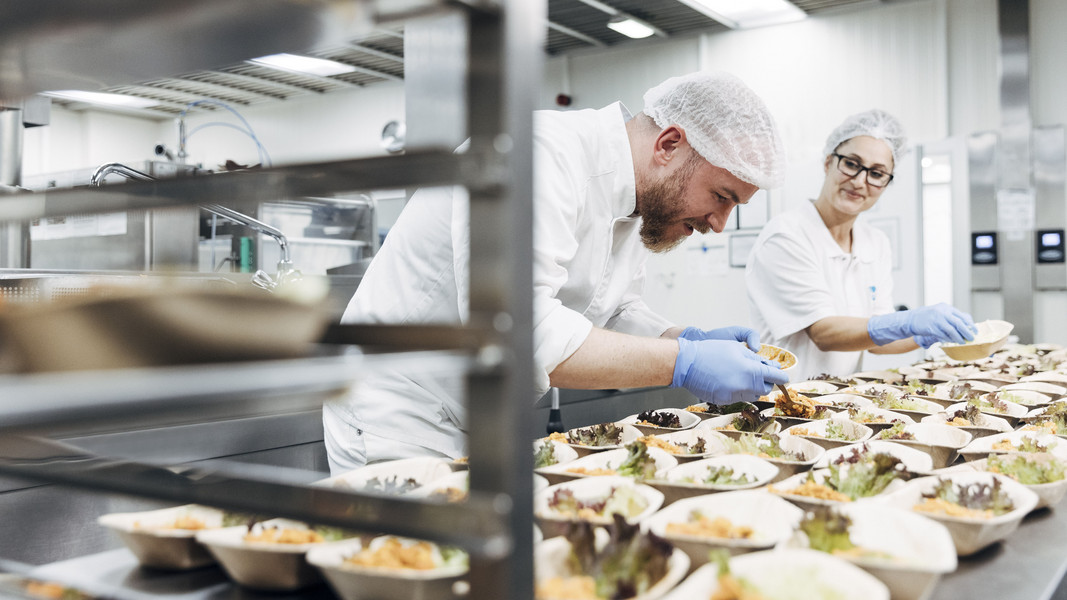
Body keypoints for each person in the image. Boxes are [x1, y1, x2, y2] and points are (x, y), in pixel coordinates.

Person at [323, 71, 790, 472]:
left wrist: (686, 338)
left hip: (478, 418)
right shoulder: (536, 157)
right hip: (398, 413)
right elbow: (520, 332)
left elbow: (615, 307)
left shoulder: (635, 202)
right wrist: (682, 363)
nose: (718, 225)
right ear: (669, 144)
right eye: (722, 196)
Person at [745, 109, 976, 381]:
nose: (859, 181)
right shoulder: (786, 236)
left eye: (877, 174)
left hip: (838, 398)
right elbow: (824, 333)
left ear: (886, 184)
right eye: (852, 164)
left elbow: (878, 340)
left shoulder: (875, 243)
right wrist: (907, 321)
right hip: (783, 398)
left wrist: (926, 334)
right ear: (828, 162)